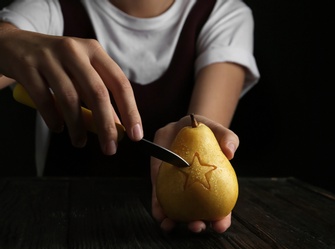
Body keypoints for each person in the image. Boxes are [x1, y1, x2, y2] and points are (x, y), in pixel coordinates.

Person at [0, 0, 259, 233]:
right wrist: (7, 42)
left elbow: (204, 123)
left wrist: (195, 128)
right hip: (54, 225)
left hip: (156, 233)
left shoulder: (221, 12)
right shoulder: (47, 8)